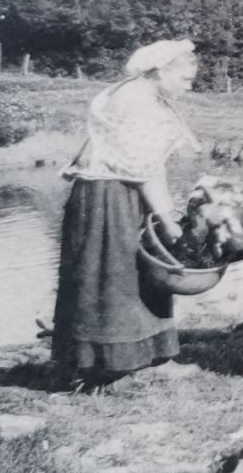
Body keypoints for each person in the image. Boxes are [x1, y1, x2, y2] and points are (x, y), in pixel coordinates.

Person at [51, 39, 201, 389]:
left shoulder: (137, 92)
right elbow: (145, 169)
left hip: (115, 193)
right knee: (113, 276)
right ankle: (109, 367)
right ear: (162, 70)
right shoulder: (137, 103)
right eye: (184, 79)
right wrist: (167, 219)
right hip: (111, 198)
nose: (189, 86)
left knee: (138, 273)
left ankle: (149, 358)